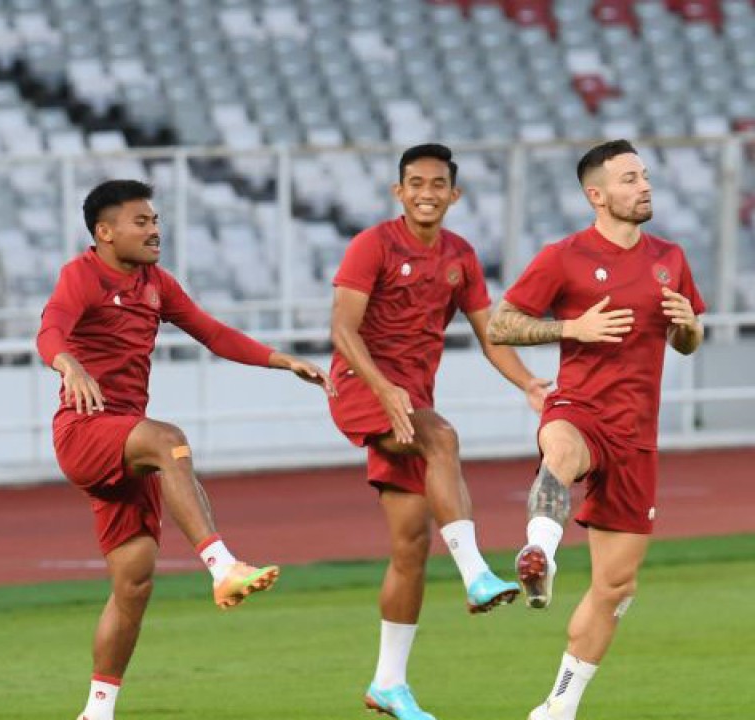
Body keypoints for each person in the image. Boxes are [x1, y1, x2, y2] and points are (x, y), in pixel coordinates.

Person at [36, 179, 330, 720]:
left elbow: (211, 332)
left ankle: (96, 711)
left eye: (155, 221)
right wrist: (67, 364)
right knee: (169, 440)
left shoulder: (157, 283)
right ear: (104, 232)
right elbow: (50, 330)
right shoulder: (81, 276)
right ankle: (222, 566)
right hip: (85, 431)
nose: (154, 230)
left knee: (135, 582)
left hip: (127, 443)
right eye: (141, 222)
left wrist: (280, 360)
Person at [328, 144, 551, 720]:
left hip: (412, 400)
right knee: (443, 438)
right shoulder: (372, 244)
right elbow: (342, 328)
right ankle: (476, 572)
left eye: (438, 184)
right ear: (398, 192)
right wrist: (382, 388)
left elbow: (489, 333)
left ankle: (388, 685)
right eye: (415, 182)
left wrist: (527, 383)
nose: (426, 192)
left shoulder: (461, 256)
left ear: (455, 194)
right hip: (363, 386)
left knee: (410, 546)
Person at [487, 140, 705, 720]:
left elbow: (687, 341)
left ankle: (558, 707)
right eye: (630, 178)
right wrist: (572, 328)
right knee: (558, 449)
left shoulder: (671, 257)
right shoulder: (564, 257)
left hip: (639, 436)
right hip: (581, 410)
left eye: (645, 176)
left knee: (617, 587)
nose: (644, 186)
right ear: (597, 195)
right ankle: (542, 550)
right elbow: (500, 324)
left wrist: (687, 328)